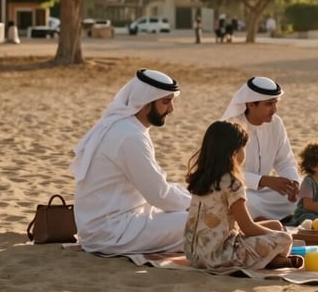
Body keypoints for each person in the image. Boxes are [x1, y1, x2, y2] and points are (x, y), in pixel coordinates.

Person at [70, 69, 191, 255]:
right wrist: (198, 204)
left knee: (192, 211)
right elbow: (159, 195)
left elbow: (157, 190)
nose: (171, 109)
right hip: (109, 231)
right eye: (165, 102)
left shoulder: (127, 127)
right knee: (199, 221)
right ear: (145, 103)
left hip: (120, 219)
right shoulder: (129, 136)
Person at [183, 120, 301, 271]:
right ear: (234, 152)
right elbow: (247, 227)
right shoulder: (232, 183)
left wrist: (273, 231)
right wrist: (279, 236)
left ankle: (272, 258)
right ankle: (273, 260)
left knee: (276, 225)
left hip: (193, 254)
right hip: (217, 256)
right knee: (285, 238)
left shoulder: (202, 177)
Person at [221, 76, 301, 221]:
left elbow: (285, 161)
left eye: (275, 103)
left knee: (304, 195)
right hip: (237, 192)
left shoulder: (276, 123)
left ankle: (268, 220)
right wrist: (262, 180)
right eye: (269, 104)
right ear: (251, 104)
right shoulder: (230, 127)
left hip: (266, 193)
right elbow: (225, 172)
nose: (274, 109)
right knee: (250, 203)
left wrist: (292, 182)